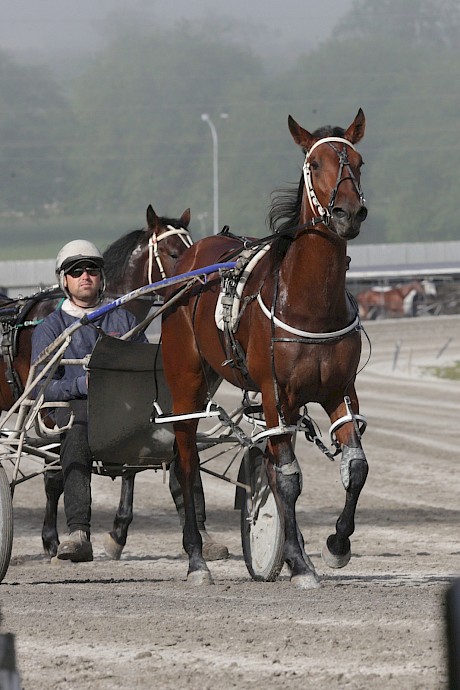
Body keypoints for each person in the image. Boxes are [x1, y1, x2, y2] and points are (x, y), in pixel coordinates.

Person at [31, 240, 228, 562]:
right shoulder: (50, 328)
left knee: (179, 436)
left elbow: (144, 367)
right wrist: (83, 383)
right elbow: (42, 389)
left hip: (127, 410)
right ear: (63, 280)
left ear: (101, 278)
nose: (85, 276)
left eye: (92, 270)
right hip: (79, 410)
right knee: (77, 430)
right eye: (76, 271)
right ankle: (79, 532)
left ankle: (198, 532)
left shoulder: (122, 320)